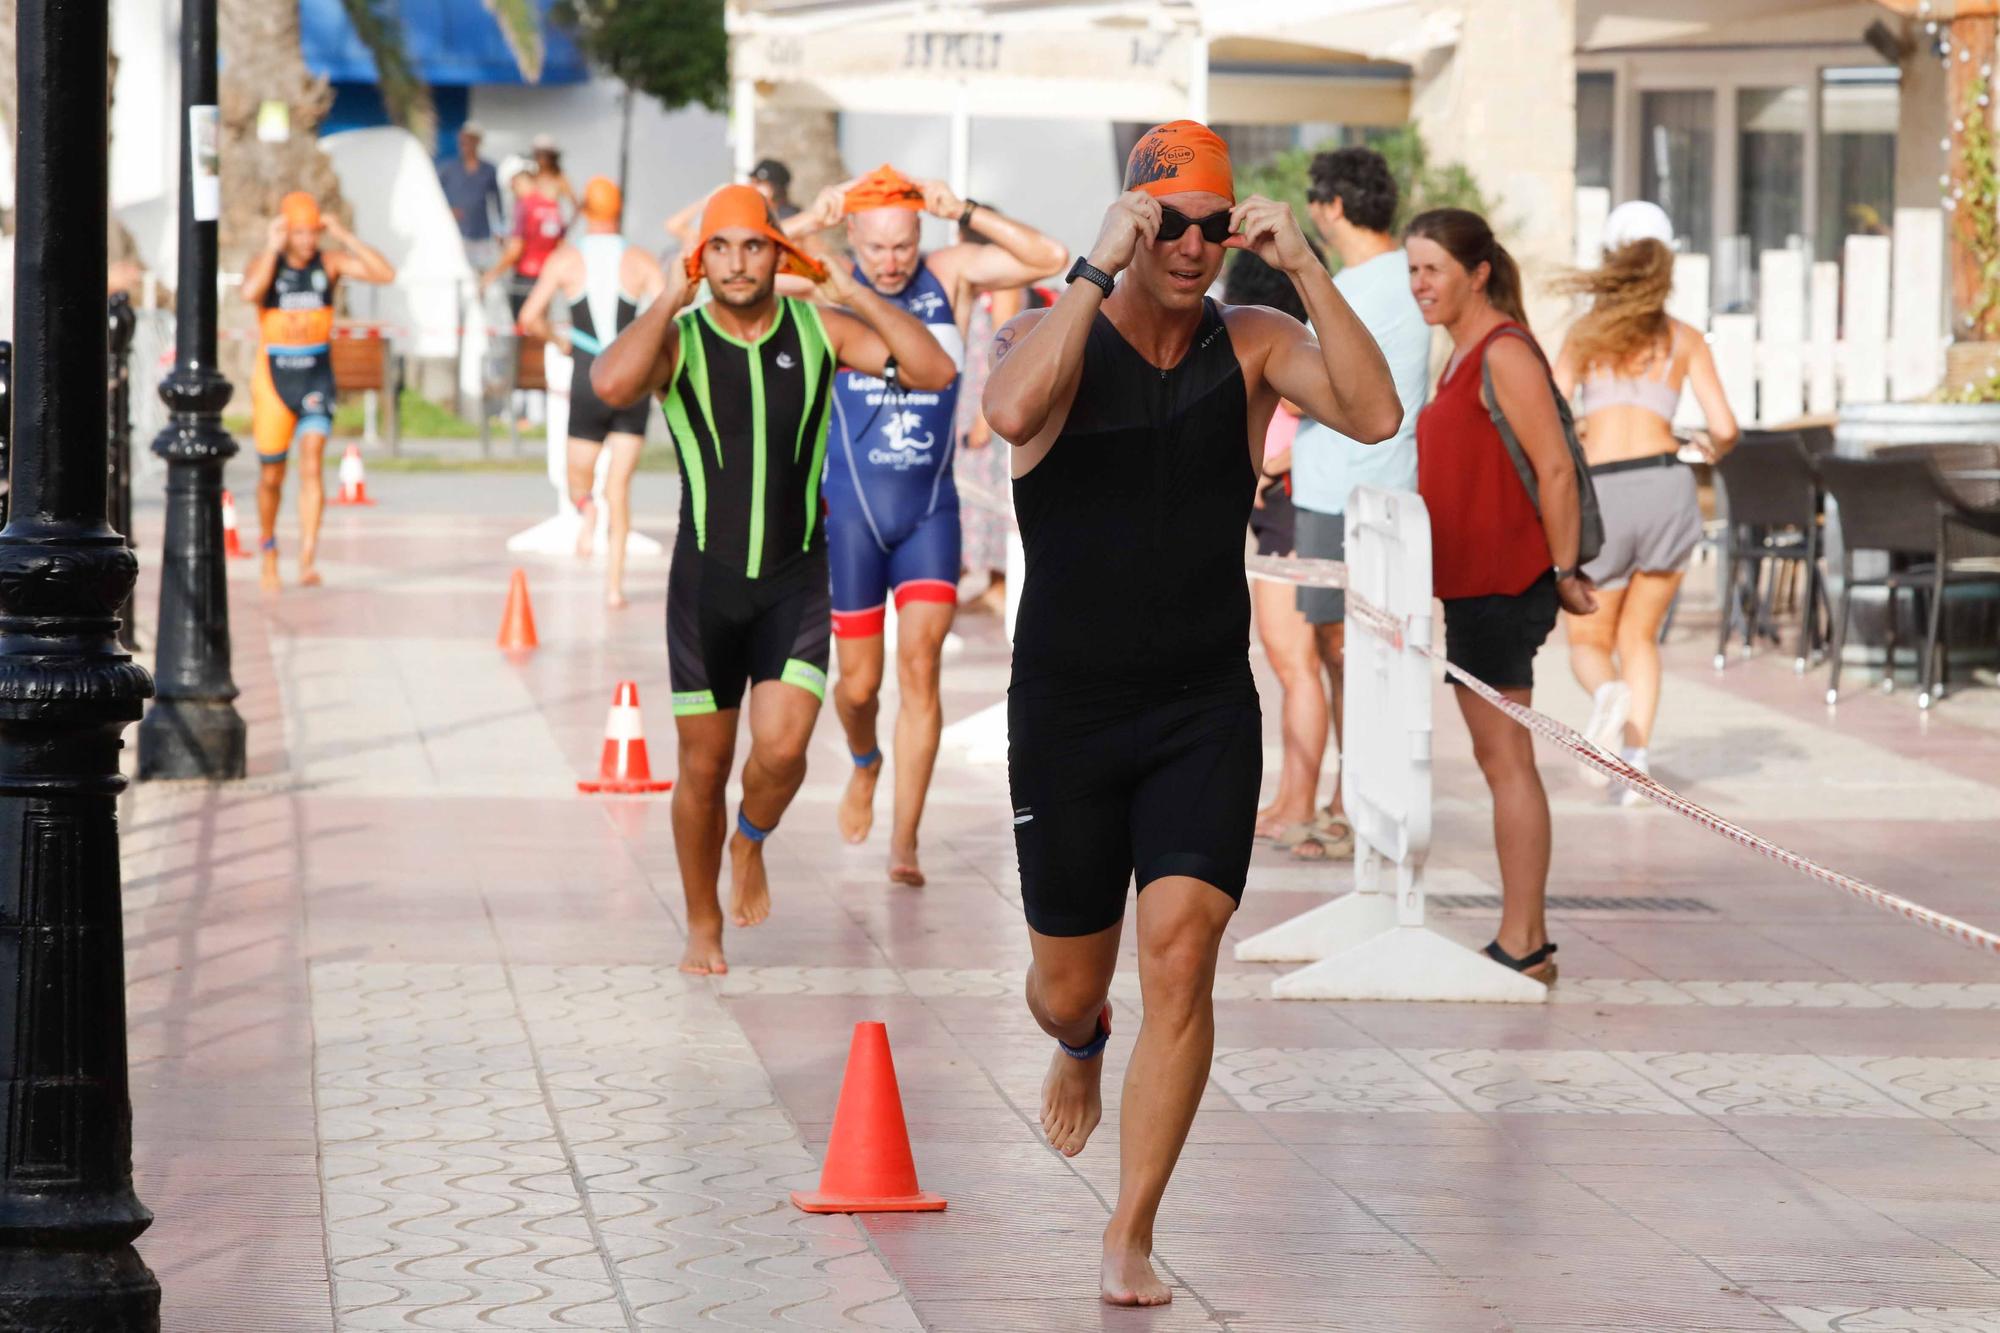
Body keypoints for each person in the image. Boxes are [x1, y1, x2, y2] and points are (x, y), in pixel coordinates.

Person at [982, 121, 1400, 1307]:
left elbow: (1373, 416)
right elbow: (1011, 414)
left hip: (1199, 708)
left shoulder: (1256, 341)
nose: (1192, 245)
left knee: (1180, 953)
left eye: (1212, 223)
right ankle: (1076, 1040)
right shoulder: (1049, 334)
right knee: (1070, 983)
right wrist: (1088, 269)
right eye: (1168, 220)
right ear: (1131, 220)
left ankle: (1129, 1225)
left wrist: (1304, 268)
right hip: (1064, 710)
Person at [588, 185, 956, 977]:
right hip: (705, 589)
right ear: (701, 260)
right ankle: (701, 919)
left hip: (795, 579)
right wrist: (662, 300)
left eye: (753, 246)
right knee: (703, 767)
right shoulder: (677, 340)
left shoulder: (817, 328)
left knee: (784, 752)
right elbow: (611, 386)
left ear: (777, 253)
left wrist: (849, 288)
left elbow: (935, 369)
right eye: (719, 248)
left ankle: (749, 838)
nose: (737, 262)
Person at [789, 164, 1067, 886]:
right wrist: (805, 222)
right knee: (856, 688)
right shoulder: (826, 279)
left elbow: (1052, 260)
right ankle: (863, 760)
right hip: (850, 515)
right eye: (877, 248)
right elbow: (729, 270)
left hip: (927, 514)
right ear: (853, 236)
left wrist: (966, 209)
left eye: (902, 246)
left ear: (919, 236)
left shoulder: (948, 275)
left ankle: (904, 840)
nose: (890, 262)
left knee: (919, 668)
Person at [1405, 207, 1597, 986]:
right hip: (1472, 584)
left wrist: (1561, 570)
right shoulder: (1458, 355)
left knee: (1506, 759)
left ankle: (1526, 939)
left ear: (1476, 272)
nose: (1420, 285)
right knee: (1498, 758)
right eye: (1412, 271)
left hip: (1502, 582)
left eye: (1432, 270)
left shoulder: (1502, 350)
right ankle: (1525, 935)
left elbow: (1553, 467)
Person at [1554, 200, 1738, 803]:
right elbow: (1726, 427)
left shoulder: (1585, 335)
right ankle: (1634, 765)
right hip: (1666, 486)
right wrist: (1701, 447)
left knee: (1587, 641)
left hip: (1605, 492)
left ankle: (1608, 698)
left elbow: (1554, 413)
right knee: (1642, 636)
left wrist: (1583, 429)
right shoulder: (1683, 338)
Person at [1285, 146, 1432, 860]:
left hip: (1344, 494)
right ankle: (1354, 798)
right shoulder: (1393, 279)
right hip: (1371, 485)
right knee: (1352, 656)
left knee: (1347, 655)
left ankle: (1352, 803)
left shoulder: (1363, 287)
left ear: (1331, 207)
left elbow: (1301, 382)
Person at [517, 177, 667, 608]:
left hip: (587, 377)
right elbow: (664, 315)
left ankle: (586, 509)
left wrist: (560, 341)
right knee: (619, 489)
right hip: (631, 380)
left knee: (575, 480)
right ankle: (614, 587)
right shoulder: (640, 261)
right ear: (619, 211)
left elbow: (530, 315)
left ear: (584, 212)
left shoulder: (567, 260)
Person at [1219, 251, 1325, 860]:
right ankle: (1291, 796)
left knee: (1293, 664)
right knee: (1286, 664)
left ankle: (1301, 800)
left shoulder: (1285, 338)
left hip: (1286, 502)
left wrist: (1274, 463)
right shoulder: (1273, 335)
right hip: (1272, 501)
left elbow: (1306, 407)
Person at [240, 191, 396, 593]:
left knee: (312, 461)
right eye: (300, 233)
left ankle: (307, 556)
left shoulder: (328, 263)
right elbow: (248, 293)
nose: (308, 241)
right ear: (286, 231)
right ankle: (269, 548)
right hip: (274, 381)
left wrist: (344, 235)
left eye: (313, 232)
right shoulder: (268, 265)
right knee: (272, 475)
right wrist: (271, 248)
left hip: (315, 378)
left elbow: (384, 274)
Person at [482, 162, 565, 318]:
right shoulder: (551, 204)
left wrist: (491, 274)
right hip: (546, 278)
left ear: (514, 182)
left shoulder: (524, 206)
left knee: (526, 327)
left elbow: (516, 249)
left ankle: (558, 342)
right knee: (538, 325)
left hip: (525, 278)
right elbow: (559, 242)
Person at [436, 121, 505, 272]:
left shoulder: (489, 170)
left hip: (481, 235)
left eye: (469, 141)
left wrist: (500, 231)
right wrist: (447, 211)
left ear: (477, 142)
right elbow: (434, 196)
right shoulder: (448, 169)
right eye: (462, 141)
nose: (465, 145)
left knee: (482, 273)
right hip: (456, 234)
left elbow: (497, 202)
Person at [529, 134, 578, 219]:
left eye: (545, 154)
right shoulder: (530, 177)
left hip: (551, 228)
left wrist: (565, 228)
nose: (542, 158)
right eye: (539, 154)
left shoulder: (559, 178)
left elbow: (576, 205)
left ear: (552, 156)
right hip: (531, 228)